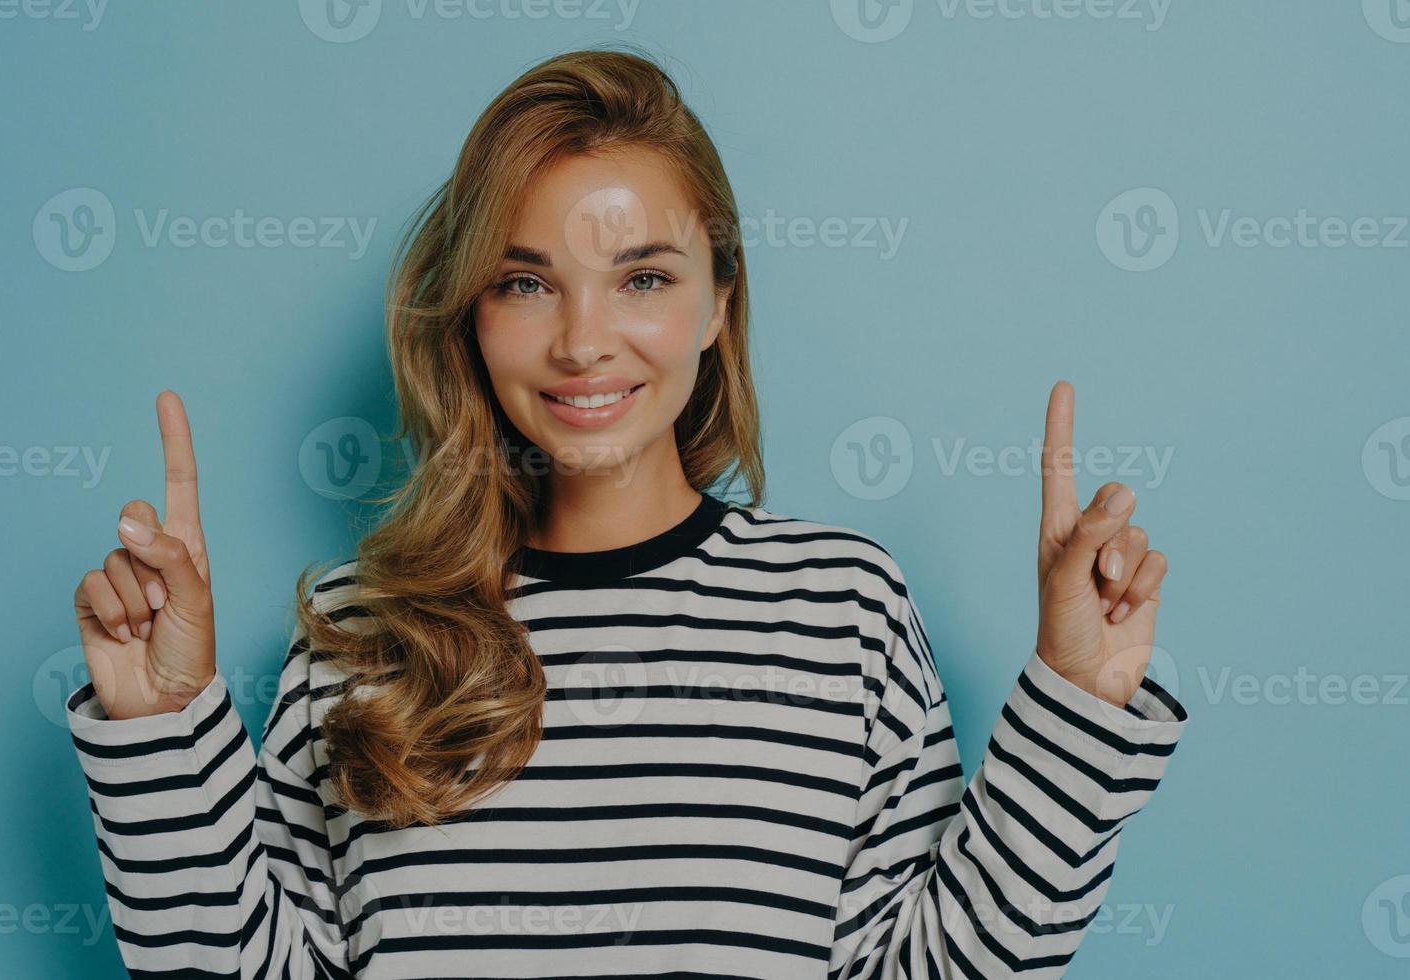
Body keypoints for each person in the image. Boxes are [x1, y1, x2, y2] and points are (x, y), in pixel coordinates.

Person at [66, 47, 1187, 979]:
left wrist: (1077, 703)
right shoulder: (366, 635)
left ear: (716, 303)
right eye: (525, 281)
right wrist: (160, 728)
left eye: (643, 277)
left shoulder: (842, 607)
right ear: (469, 316)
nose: (583, 339)